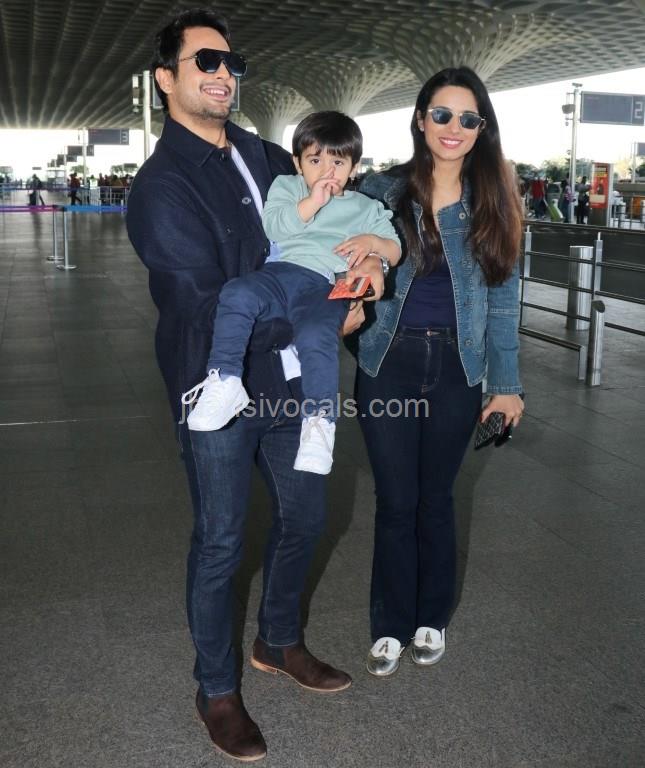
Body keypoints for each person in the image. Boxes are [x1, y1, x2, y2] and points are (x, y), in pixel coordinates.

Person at [126, 7, 378, 762]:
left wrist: (364, 268)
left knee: (305, 517)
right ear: (165, 77)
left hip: (291, 380)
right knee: (221, 540)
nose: (223, 75)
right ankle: (216, 689)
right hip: (219, 385)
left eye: (231, 63)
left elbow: (331, 227)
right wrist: (319, 319)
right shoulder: (161, 185)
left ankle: (278, 640)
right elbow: (201, 304)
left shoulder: (267, 154)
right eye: (204, 61)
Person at [351, 66, 525, 677]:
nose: (454, 127)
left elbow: (503, 299)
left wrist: (506, 385)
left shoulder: (494, 200)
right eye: (443, 114)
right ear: (421, 119)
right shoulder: (380, 192)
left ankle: (431, 617)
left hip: (457, 365)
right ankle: (389, 623)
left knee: (436, 499)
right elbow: (340, 262)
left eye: (469, 118)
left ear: (482, 128)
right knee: (396, 499)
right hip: (388, 361)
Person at [183, 110, 400, 475]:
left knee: (317, 336)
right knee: (236, 294)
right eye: (315, 161)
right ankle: (226, 379)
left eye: (338, 162)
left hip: (327, 283)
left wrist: (373, 244)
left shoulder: (366, 207)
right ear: (298, 163)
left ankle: (320, 423)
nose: (327, 171)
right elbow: (275, 226)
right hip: (281, 273)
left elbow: (394, 249)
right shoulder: (288, 187)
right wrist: (313, 201)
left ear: (354, 167)